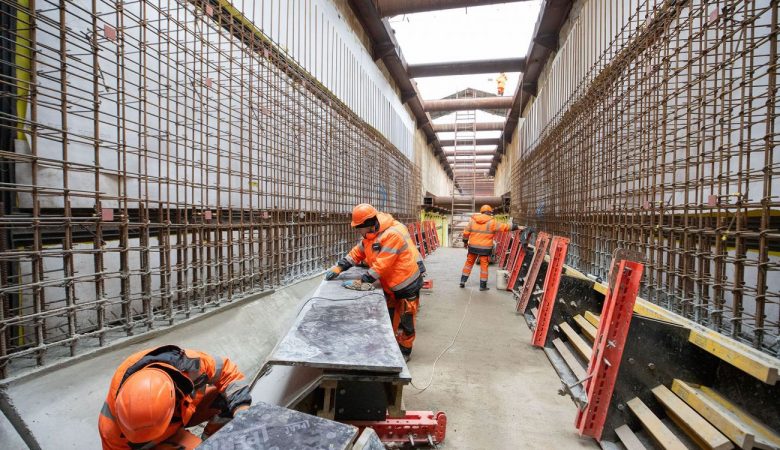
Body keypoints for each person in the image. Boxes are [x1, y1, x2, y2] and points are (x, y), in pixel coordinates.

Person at [99, 345, 252, 449]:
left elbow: (228, 372)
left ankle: (212, 440)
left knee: (225, 397)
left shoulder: (188, 364)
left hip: (183, 413)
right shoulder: (110, 429)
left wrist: (243, 410)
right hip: (157, 443)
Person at [325, 203, 424, 360]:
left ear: (368, 224)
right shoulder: (369, 237)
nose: (358, 230)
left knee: (407, 321)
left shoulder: (392, 235)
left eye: (359, 227)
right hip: (391, 285)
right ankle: (390, 345)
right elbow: (357, 252)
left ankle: (405, 351)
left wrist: (362, 281)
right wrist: (340, 267)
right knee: (391, 317)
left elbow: (381, 265)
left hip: (406, 285)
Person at [460, 204, 519, 291]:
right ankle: (482, 286)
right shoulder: (492, 222)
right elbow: (504, 227)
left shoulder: (472, 221)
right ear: (489, 212)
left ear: (481, 212)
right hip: (485, 248)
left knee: (468, 264)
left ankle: (462, 281)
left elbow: (466, 233)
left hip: (473, 247)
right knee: (484, 266)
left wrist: (465, 242)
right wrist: (515, 227)